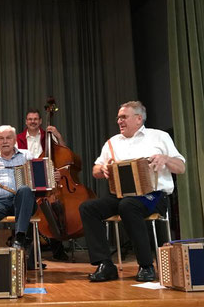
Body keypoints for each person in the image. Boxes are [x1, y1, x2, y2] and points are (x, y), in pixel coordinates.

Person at [79, 101, 186, 282]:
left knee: (128, 206)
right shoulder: (112, 142)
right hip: (121, 196)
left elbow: (181, 167)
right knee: (88, 208)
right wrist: (103, 168)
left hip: (153, 195)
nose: (119, 121)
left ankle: (146, 265)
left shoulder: (159, 137)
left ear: (138, 119)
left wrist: (165, 158)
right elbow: (95, 170)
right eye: (118, 118)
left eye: (124, 117)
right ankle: (105, 264)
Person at [16, 108, 68, 262]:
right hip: (26, 178)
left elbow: (64, 153)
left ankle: (58, 249)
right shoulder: (18, 138)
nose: (33, 121)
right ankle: (30, 255)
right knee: (28, 210)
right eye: (30, 119)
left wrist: (58, 136)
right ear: (26, 122)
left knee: (54, 208)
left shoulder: (48, 136)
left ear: (40, 121)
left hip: (47, 178)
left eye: (35, 119)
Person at [0, 125, 37, 249]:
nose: (5, 141)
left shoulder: (26, 156)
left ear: (15, 140)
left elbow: (39, 178)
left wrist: (53, 176)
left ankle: (19, 238)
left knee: (25, 189)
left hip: (23, 202)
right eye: (1, 138)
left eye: (8, 138)